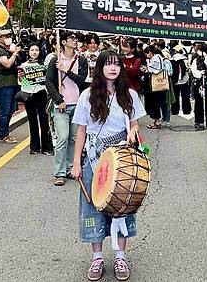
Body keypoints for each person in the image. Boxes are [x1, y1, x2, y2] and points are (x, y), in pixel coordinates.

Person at [71, 50, 146, 281]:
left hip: (122, 159)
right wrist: (76, 163)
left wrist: (133, 132)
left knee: (122, 206)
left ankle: (120, 257)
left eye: (117, 64)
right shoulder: (87, 95)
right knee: (93, 208)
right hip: (94, 159)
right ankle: (97, 259)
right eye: (108, 64)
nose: (113, 68)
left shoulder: (130, 95)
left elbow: (134, 125)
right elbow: (81, 130)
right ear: (100, 67)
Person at [46, 31, 89, 185]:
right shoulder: (55, 60)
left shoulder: (82, 60)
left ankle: (71, 168)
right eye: (71, 39)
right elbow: (49, 82)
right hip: (62, 105)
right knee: (62, 138)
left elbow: (82, 80)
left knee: (74, 138)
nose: (75, 41)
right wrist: (59, 100)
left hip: (78, 105)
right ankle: (59, 172)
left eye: (75, 39)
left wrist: (66, 71)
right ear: (63, 42)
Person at [19, 44, 53, 155]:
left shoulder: (44, 65)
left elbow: (48, 80)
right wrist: (21, 77)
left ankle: (47, 147)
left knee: (44, 120)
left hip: (41, 93)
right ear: (28, 52)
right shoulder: (23, 66)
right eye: (32, 50)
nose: (34, 52)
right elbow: (20, 82)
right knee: (32, 121)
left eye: (37, 50)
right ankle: (34, 147)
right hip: (28, 95)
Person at [0, 29, 22, 144]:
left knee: (11, 109)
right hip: (3, 83)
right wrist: (15, 53)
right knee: (5, 110)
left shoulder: (7, 50)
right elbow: (7, 64)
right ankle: (3, 134)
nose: (9, 38)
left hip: (12, 83)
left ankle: (5, 132)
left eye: (9, 36)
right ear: (0, 38)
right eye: (6, 36)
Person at [190, 43, 207, 131]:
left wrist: (206, 58)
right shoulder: (195, 60)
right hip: (198, 82)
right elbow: (194, 71)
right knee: (198, 101)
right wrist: (200, 73)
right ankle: (198, 121)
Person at [142, 45, 166, 129]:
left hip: (154, 84)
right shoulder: (158, 57)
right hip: (157, 84)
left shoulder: (155, 58)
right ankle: (156, 120)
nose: (146, 55)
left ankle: (156, 121)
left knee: (154, 102)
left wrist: (147, 69)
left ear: (150, 53)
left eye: (146, 54)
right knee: (155, 102)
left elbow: (156, 70)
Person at [170, 42, 192, 118]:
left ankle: (175, 110)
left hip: (175, 80)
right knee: (185, 96)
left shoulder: (172, 59)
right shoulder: (185, 59)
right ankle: (187, 110)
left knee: (175, 96)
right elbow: (188, 69)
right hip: (184, 80)